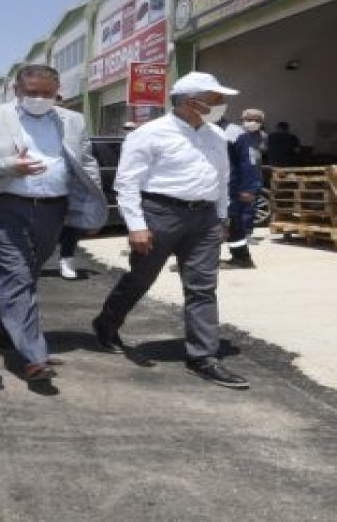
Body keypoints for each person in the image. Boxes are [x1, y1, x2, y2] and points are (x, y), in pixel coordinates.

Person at [92, 71, 250, 390]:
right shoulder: (150, 133)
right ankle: (106, 323)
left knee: (202, 288)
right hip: (160, 214)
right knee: (141, 277)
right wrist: (136, 225)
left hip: (204, 219)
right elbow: (127, 182)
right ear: (193, 103)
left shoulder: (216, 136)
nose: (223, 104)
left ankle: (203, 357)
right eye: (217, 99)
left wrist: (221, 217)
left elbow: (221, 178)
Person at [0, 64, 106, 382]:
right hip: (6, 208)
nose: (40, 99)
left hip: (53, 210)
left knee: (24, 276)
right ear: (17, 90)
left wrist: (92, 205)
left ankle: (1, 322)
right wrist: (8, 166)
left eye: (48, 94)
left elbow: (85, 162)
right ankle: (34, 356)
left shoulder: (72, 120)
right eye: (33, 93)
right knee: (17, 276)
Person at [220, 115, 263, 269]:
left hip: (229, 187)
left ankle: (241, 258)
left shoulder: (234, 132)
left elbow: (248, 162)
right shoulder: (197, 129)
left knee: (232, 221)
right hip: (208, 187)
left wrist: (249, 188)